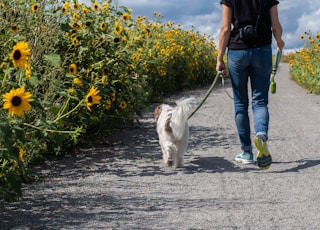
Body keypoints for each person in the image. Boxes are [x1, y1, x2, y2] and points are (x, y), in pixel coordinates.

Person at [216, 0, 285, 169]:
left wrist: (219, 58)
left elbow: (225, 29)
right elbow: (276, 26)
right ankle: (261, 134)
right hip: (262, 50)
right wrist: (279, 40)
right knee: (260, 101)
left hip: (237, 52)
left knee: (240, 103)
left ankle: (246, 152)